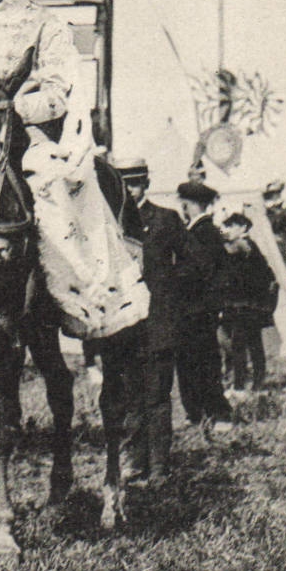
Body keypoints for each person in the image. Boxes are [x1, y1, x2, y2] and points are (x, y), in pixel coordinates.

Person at [0, 0, 148, 341]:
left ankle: (82, 298)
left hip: (28, 139)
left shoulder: (47, 26)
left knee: (54, 190)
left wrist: (8, 112)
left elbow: (57, 92)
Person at [115, 159, 192, 481]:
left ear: (145, 184)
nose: (130, 192)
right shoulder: (111, 224)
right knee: (129, 396)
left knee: (158, 397)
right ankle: (133, 462)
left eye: (134, 184)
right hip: (124, 324)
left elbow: (192, 263)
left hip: (159, 321)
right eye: (124, 186)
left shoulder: (165, 219)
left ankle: (159, 466)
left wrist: (167, 290)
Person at [176, 179, 234, 434]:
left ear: (188, 205)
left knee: (204, 362)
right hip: (195, 309)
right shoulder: (203, 231)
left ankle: (218, 413)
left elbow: (203, 272)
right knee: (192, 362)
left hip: (198, 309)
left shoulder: (203, 233)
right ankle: (197, 412)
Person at [216, 212, 278, 395]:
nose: (228, 229)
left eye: (232, 225)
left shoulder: (244, 243)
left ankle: (240, 384)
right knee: (251, 342)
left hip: (246, 303)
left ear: (243, 228)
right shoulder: (246, 245)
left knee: (239, 343)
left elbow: (231, 249)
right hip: (248, 303)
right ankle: (255, 380)